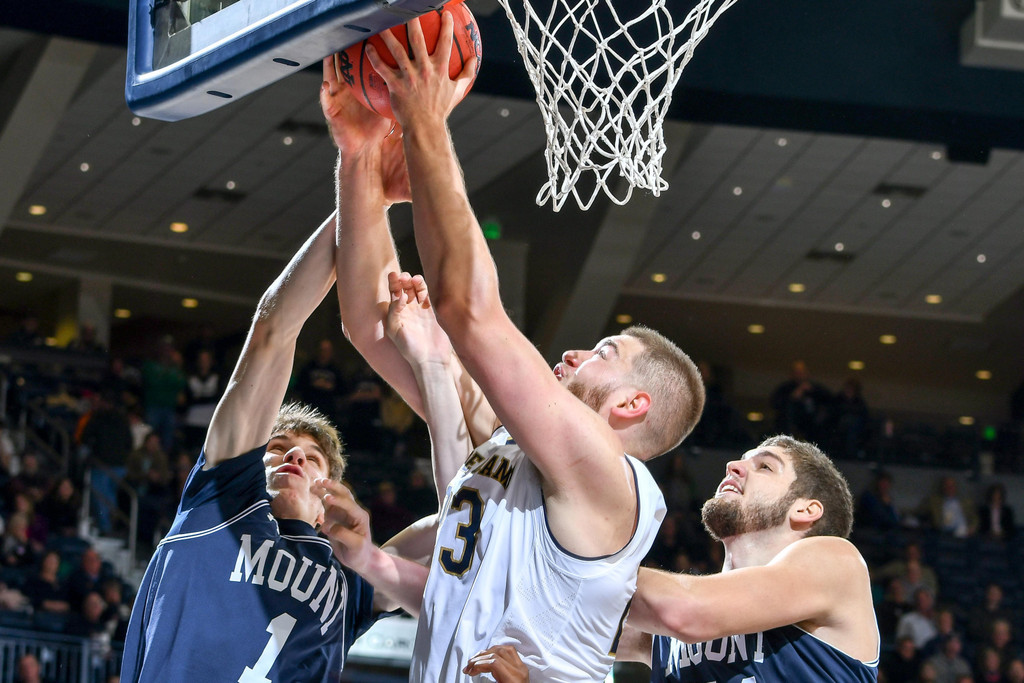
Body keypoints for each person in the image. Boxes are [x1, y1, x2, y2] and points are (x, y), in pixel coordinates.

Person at [318, 19, 705, 680]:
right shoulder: (509, 450)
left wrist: (426, 122)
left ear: (631, 402)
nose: (580, 350)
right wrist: (358, 158)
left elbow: (469, 311)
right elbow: (372, 325)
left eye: (605, 350)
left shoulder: (605, 475)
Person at [120, 219, 381, 681]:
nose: (294, 457)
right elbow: (273, 330)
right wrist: (360, 197)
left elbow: (458, 518)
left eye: (312, 457)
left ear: (329, 502)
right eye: (278, 447)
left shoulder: (351, 580)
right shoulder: (218, 500)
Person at [616, 436, 879, 681]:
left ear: (805, 509)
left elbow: (685, 610)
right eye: (742, 459)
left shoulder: (838, 561)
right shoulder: (659, 622)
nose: (732, 466)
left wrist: (588, 560)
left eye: (765, 466)